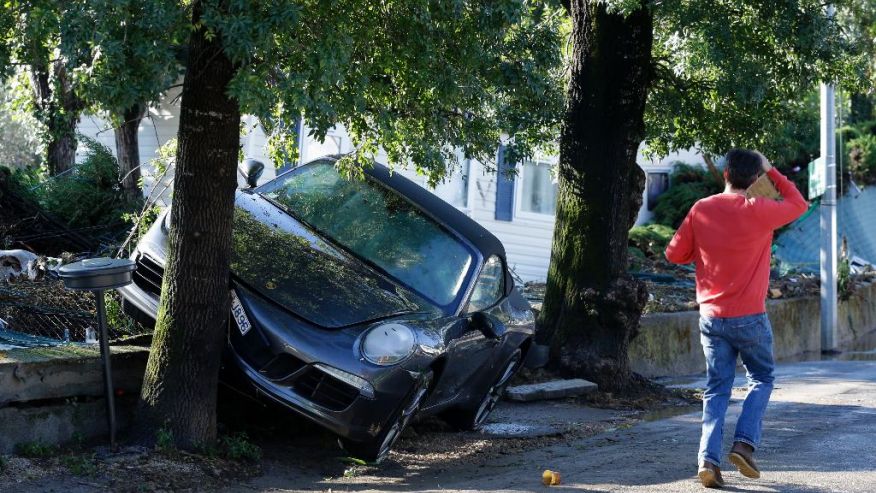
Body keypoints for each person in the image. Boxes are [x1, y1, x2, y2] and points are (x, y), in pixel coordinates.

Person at [665, 149, 808, 488]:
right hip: (749, 317)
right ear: (756, 178)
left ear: (726, 173)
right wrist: (773, 170)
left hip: (711, 317)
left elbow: (674, 254)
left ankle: (707, 462)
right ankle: (743, 444)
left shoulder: (701, 209)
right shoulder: (760, 211)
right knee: (761, 378)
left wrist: (703, 250)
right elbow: (799, 204)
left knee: (716, 389)